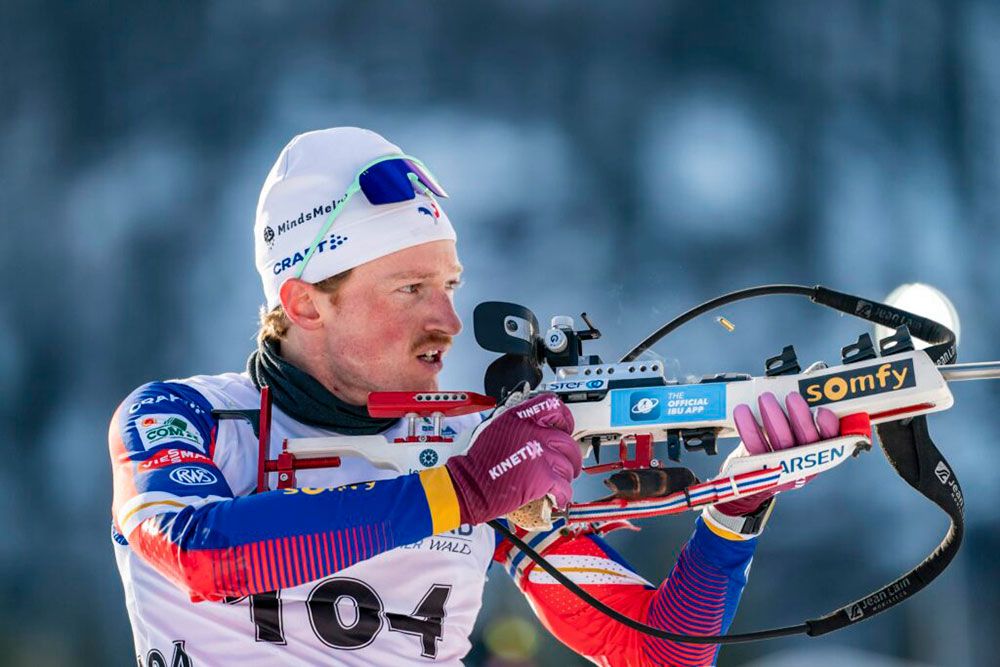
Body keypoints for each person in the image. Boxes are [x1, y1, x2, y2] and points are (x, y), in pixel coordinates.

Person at [109, 127, 842, 666]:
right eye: (411, 290)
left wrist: (732, 515)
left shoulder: (462, 446)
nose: (449, 322)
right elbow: (205, 554)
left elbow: (656, 652)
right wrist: (463, 490)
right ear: (303, 303)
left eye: (450, 286)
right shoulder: (187, 418)